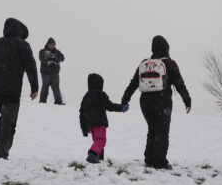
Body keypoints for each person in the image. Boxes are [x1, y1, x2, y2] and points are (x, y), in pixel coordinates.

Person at [121, 35, 191, 169]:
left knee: (152, 129)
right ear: (166, 47)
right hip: (162, 100)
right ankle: (160, 161)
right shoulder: (169, 63)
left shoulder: (144, 63)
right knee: (162, 131)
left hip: (146, 102)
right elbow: (179, 84)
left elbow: (133, 83)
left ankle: (149, 158)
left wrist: (125, 100)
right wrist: (187, 100)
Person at [0, 18, 39, 160]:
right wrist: (34, 87)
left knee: (6, 117)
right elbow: (31, 66)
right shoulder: (23, 45)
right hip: (12, 89)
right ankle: (1, 152)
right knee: (9, 121)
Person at [80, 73, 129, 163]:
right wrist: (121, 108)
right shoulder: (101, 95)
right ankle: (93, 154)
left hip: (90, 125)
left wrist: (83, 128)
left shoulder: (86, 96)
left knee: (97, 141)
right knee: (101, 140)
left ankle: (99, 158)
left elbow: (81, 113)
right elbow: (109, 106)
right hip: (99, 123)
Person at [39, 37, 65, 105]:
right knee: (45, 86)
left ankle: (59, 101)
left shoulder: (57, 52)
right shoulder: (42, 51)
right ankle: (42, 102)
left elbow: (62, 58)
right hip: (45, 73)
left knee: (56, 87)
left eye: (53, 44)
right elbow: (42, 58)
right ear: (47, 44)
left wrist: (54, 58)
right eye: (50, 44)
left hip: (55, 73)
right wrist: (51, 59)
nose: (52, 45)